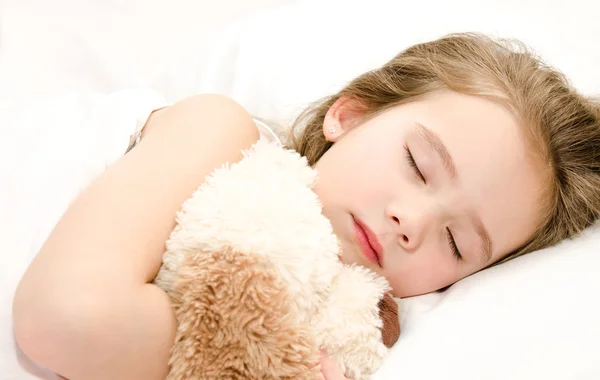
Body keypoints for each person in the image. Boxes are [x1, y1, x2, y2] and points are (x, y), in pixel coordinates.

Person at [12, 33, 600, 380]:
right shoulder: (220, 133)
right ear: (351, 115)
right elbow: (65, 319)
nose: (412, 222)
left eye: (457, 243)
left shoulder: (346, 331)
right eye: (418, 166)